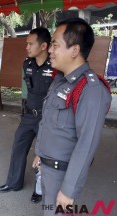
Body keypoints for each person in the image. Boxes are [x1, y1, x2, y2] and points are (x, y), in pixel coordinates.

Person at [33, 18, 112, 215]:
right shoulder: (60, 81)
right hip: (48, 169)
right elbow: (50, 124)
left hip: (62, 174)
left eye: (55, 45)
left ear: (75, 50)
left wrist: (68, 191)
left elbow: (86, 145)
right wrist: (39, 152)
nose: (50, 50)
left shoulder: (90, 89)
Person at [0, 27, 54, 203]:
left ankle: (39, 189)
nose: (27, 47)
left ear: (44, 45)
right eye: (26, 44)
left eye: (30, 44)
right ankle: (13, 183)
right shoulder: (27, 64)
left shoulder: (56, 66)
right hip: (28, 116)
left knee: (44, 153)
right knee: (18, 148)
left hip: (47, 118)